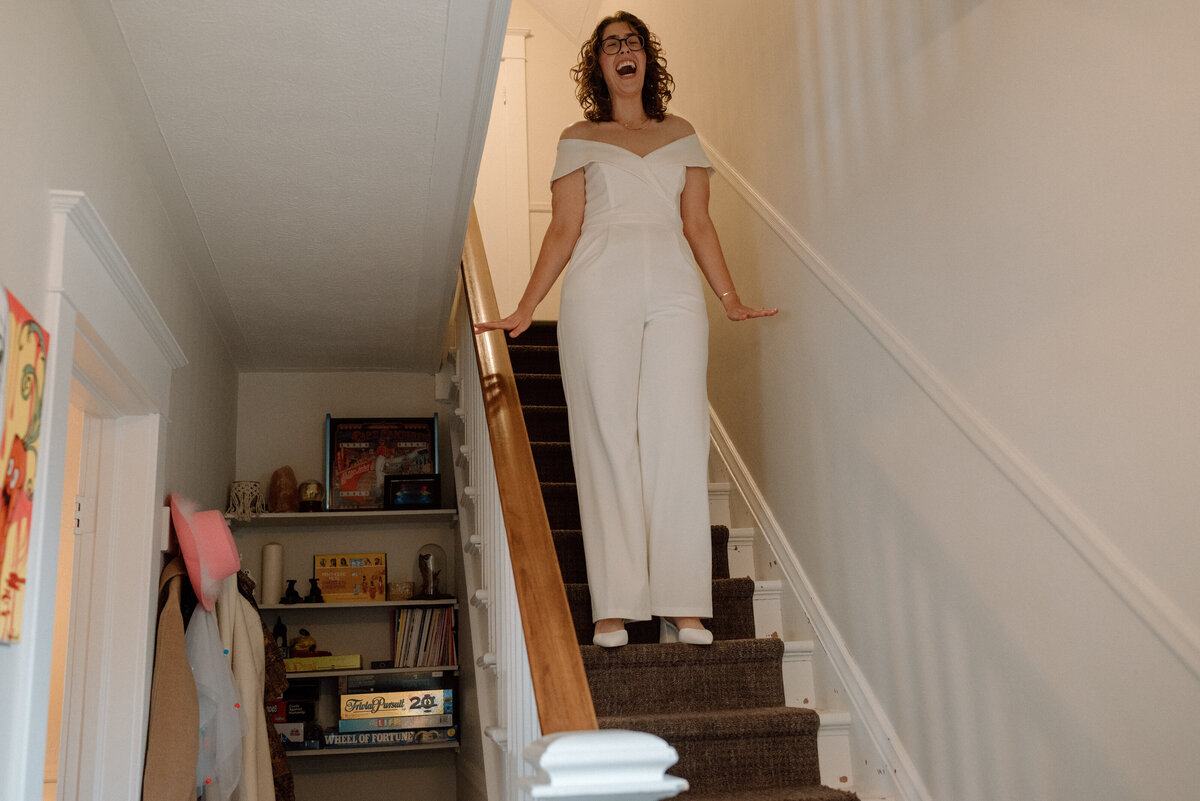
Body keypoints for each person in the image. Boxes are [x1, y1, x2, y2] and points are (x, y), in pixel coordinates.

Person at [474, 10, 777, 648]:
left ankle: (683, 605)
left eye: (631, 41)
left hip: (673, 290)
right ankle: (612, 605)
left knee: (677, 434)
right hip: (597, 287)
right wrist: (527, 308)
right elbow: (563, 229)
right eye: (610, 45)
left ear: (646, 58)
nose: (623, 51)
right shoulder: (577, 136)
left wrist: (728, 297)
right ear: (599, 65)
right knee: (606, 434)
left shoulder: (683, 134)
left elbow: (698, 224)